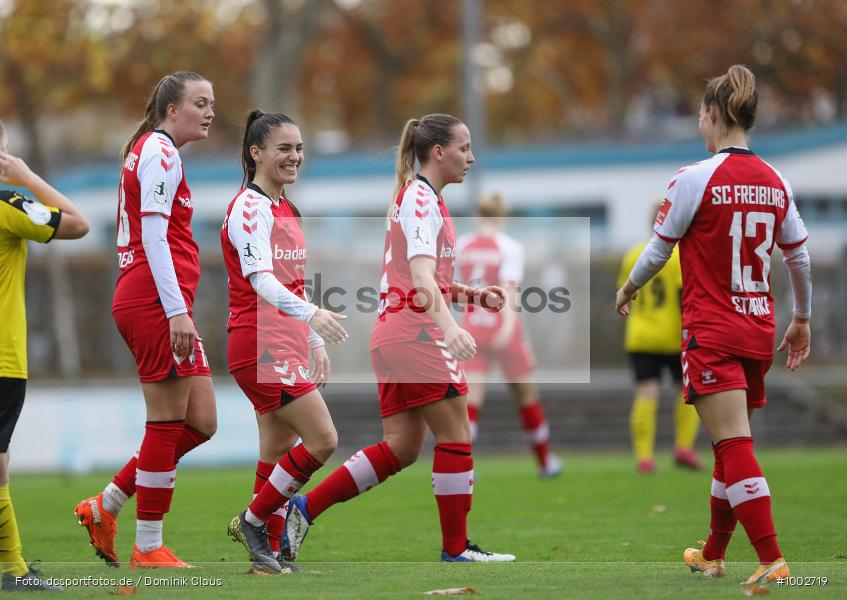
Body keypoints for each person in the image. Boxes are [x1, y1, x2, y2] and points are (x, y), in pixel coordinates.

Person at [282, 114, 516, 563]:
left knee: (401, 447)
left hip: (395, 334)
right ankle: (457, 549)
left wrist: (468, 294)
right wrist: (450, 327)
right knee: (455, 435)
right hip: (417, 334)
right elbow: (423, 277)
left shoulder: (423, 198)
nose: (471, 157)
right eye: (465, 148)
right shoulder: (422, 201)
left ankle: (304, 508)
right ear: (439, 153)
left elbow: (413, 276)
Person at [616, 65, 811, 585]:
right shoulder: (776, 181)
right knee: (730, 441)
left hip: (712, 330)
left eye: (700, 115)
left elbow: (658, 250)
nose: (698, 124)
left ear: (714, 114)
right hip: (757, 329)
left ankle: (772, 561)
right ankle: (713, 553)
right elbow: (800, 259)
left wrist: (630, 287)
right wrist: (803, 319)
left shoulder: (693, 178)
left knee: (731, 444)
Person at [74, 72, 218, 569]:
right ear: (171, 110)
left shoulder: (154, 149)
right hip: (155, 301)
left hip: (164, 300)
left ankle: (104, 506)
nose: (209, 111)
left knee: (201, 423)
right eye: (200, 103)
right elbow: (154, 237)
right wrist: (177, 311)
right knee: (165, 424)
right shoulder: (160, 151)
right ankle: (149, 547)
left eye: (212, 104)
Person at [222, 111, 348, 574]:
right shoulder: (248, 208)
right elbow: (261, 280)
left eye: (298, 148)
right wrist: (312, 315)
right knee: (323, 439)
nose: (294, 157)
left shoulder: (285, 207)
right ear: (256, 153)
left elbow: (292, 285)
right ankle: (253, 522)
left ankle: (265, 558)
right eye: (283, 149)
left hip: (286, 341)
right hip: (260, 344)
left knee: (277, 452)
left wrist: (312, 337)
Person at [0, 119, 89, 591]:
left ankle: (14, 569)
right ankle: (13, 570)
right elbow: (77, 223)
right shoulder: (8, 204)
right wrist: (27, 177)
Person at [456, 193, 562, 478]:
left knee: (471, 402)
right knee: (526, 396)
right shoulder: (509, 247)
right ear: (502, 216)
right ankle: (545, 461)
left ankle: (464, 466)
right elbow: (509, 290)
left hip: (472, 328)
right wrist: (506, 329)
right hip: (503, 330)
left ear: (478, 214)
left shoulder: (462, 245)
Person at [617, 208, 701, 473]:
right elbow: (683, 296)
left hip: (641, 335)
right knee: (687, 394)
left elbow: (625, 292)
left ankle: (644, 458)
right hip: (674, 334)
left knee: (645, 394)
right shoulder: (677, 255)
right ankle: (683, 448)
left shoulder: (633, 254)